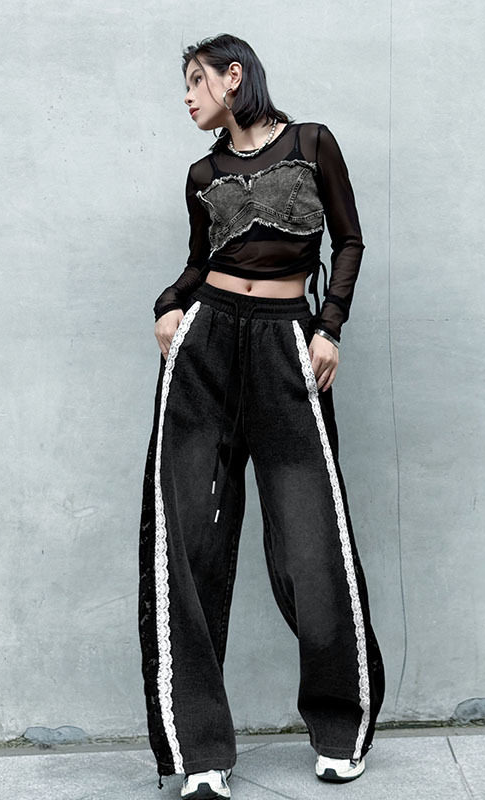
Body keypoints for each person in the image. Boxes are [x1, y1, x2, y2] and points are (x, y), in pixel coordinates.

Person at [138, 33, 385, 799]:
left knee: (312, 543)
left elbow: (348, 240)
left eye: (195, 80)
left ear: (233, 76)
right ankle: (201, 752)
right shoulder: (203, 175)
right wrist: (168, 306)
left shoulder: (312, 144)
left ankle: (340, 726)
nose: (187, 96)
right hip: (205, 347)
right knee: (189, 543)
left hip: (286, 345)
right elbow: (198, 262)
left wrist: (329, 327)